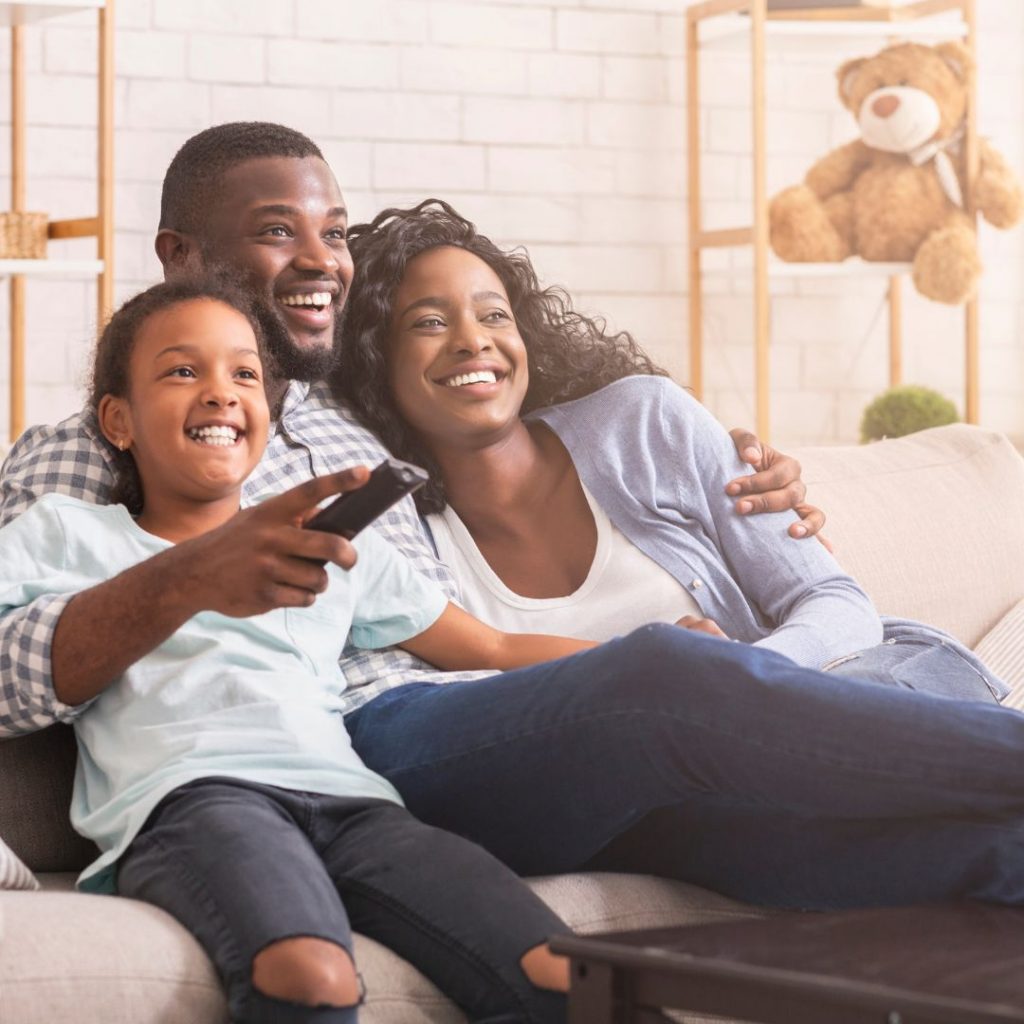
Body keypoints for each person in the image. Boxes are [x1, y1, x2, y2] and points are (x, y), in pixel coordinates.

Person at [4, 123, 1021, 916]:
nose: (322, 259)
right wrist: (184, 576)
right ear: (181, 257)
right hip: (371, 734)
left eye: (333, 233)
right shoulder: (100, 440)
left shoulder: (367, 414)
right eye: (279, 232)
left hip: (538, 732)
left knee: (951, 847)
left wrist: (764, 476)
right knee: (662, 672)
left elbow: (494, 423)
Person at [1, 276, 586, 1023]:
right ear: (118, 419)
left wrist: (652, 644)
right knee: (310, 974)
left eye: (244, 374)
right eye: (184, 371)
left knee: (564, 974)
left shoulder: (329, 542)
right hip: (194, 805)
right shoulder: (70, 532)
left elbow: (495, 644)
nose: (221, 392)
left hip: (359, 808)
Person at [335, 198, 1007, 702]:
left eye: (494, 314)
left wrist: (740, 680)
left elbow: (836, 601)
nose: (472, 339)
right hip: (721, 772)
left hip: (867, 682)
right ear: (375, 361)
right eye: (428, 322)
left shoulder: (642, 423)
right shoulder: (419, 549)